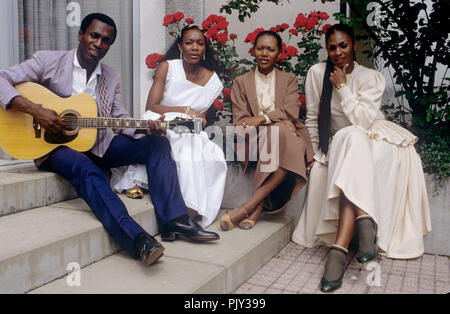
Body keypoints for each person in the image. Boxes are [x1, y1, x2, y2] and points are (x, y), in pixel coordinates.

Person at [0, 13, 219, 268]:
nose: (98, 43)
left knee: (157, 144)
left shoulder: (110, 77)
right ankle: (137, 240)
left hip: (98, 142)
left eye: (106, 40)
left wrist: (144, 129)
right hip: (54, 146)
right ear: (81, 35)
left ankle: (174, 220)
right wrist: (36, 110)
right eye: (94, 35)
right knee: (86, 168)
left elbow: (119, 118)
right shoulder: (48, 61)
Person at [291, 24, 431, 292]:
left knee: (355, 137)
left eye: (343, 45)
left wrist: (343, 87)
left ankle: (339, 248)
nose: (337, 52)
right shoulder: (317, 73)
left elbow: (363, 121)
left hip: (376, 137)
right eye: (331, 47)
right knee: (350, 139)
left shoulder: (372, 77)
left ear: (354, 46)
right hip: (343, 139)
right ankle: (364, 221)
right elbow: (311, 119)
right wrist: (313, 153)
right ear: (326, 49)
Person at [111, 25, 227, 228]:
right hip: (160, 118)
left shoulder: (213, 80)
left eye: (200, 43)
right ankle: (139, 181)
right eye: (189, 43)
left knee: (209, 151)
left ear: (205, 48)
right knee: (176, 137)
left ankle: (190, 205)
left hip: (190, 127)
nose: (194, 47)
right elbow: (152, 106)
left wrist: (197, 118)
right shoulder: (167, 67)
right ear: (180, 46)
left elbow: (203, 117)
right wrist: (185, 110)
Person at [225, 30, 314, 231]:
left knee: (280, 133)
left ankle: (251, 206)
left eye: (270, 49)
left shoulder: (289, 79)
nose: (264, 53)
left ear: (279, 54)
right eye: (260, 48)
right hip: (254, 139)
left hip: (286, 136)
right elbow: (241, 122)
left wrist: (262, 119)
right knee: (280, 131)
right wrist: (277, 121)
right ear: (253, 51)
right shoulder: (241, 82)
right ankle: (257, 207)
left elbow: (291, 111)